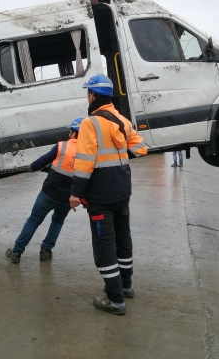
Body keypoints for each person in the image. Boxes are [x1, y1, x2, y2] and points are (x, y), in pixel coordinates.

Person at [70, 74, 148, 315]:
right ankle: (126, 286)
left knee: (104, 245)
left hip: (101, 196)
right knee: (123, 239)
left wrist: (75, 193)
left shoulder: (89, 123)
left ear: (92, 96)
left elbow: (84, 162)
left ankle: (115, 300)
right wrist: (118, 157)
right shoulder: (122, 120)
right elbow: (141, 148)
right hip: (122, 190)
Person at [5, 118, 85, 264]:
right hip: (68, 198)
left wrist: (32, 167)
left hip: (48, 194)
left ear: (73, 133)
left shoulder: (62, 146)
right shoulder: (89, 153)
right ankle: (46, 251)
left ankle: (17, 252)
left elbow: (43, 160)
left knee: (34, 221)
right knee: (58, 221)